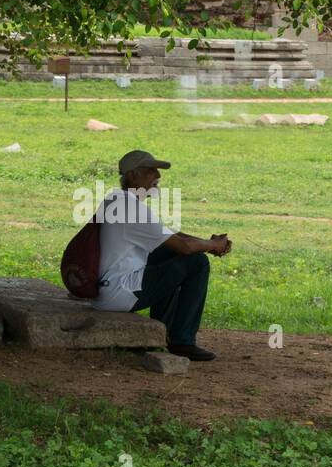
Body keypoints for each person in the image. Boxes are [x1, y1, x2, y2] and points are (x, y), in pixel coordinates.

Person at [91, 149, 232, 361]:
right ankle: (182, 341)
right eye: (150, 171)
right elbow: (184, 247)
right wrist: (211, 245)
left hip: (107, 288)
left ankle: (163, 333)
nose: (157, 176)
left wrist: (209, 244)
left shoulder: (118, 199)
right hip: (118, 293)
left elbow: (169, 235)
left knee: (170, 253)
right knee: (196, 262)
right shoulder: (130, 207)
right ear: (132, 175)